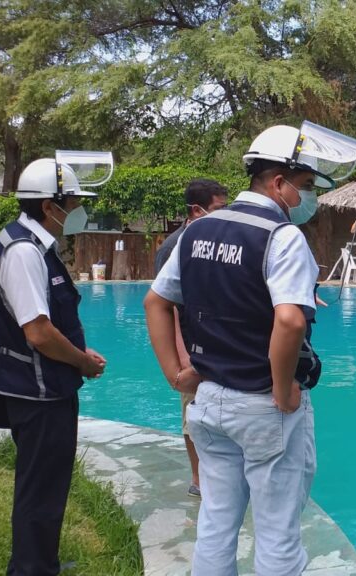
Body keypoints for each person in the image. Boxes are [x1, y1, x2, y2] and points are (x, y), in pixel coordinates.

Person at [144, 123, 343, 575]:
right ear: (279, 182)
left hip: (209, 401)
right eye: (306, 185)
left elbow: (155, 301)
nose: (308, 197)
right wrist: (283, 389)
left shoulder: (197, 231)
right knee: (277, 534)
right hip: (262, 406)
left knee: (216, 524)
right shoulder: (282, 237)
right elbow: (290, 320)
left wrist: (175, 374)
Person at [0, 157, 107, 575]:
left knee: (45, 484)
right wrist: (82, 362)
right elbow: (37, 332)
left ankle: (37, 561)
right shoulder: (24, 252)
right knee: (41, 488)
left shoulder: (29, 243)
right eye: (72, 203)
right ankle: (31, 569)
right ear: (49, 206)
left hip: (40, 386)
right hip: (38, 392)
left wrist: (78, 354)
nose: (77, 210)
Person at [153, 178, 228, 498]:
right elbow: (165, 305)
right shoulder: (174, 247)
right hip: (189, 347)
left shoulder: (216, 238)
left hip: (214, 344)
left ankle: (217, 475)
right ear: (196, 210)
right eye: (218, 208)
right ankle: (199, 479)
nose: (224, 214)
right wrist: (180, 361)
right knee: (192, 413)